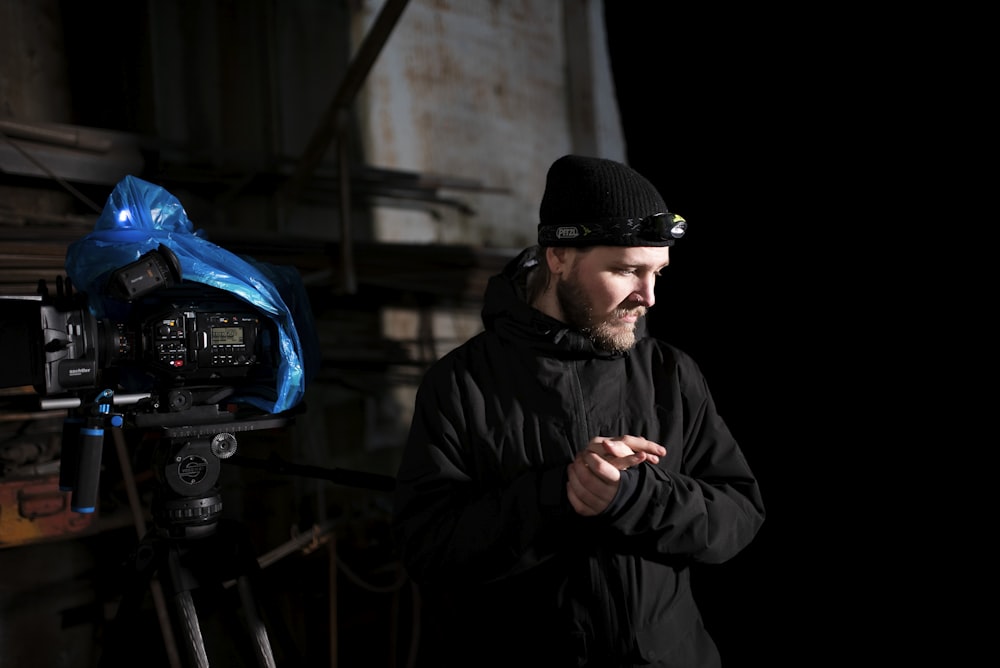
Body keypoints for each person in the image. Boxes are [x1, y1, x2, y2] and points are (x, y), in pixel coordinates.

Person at [391, 154, 765, 667]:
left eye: (657, 272)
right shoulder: (461, 384)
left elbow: (738, 518)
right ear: (559, 256)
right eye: (626, 270)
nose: (649, 297)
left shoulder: (671, 374)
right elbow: (428, 549)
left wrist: (636, 497)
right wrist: (558, 496)